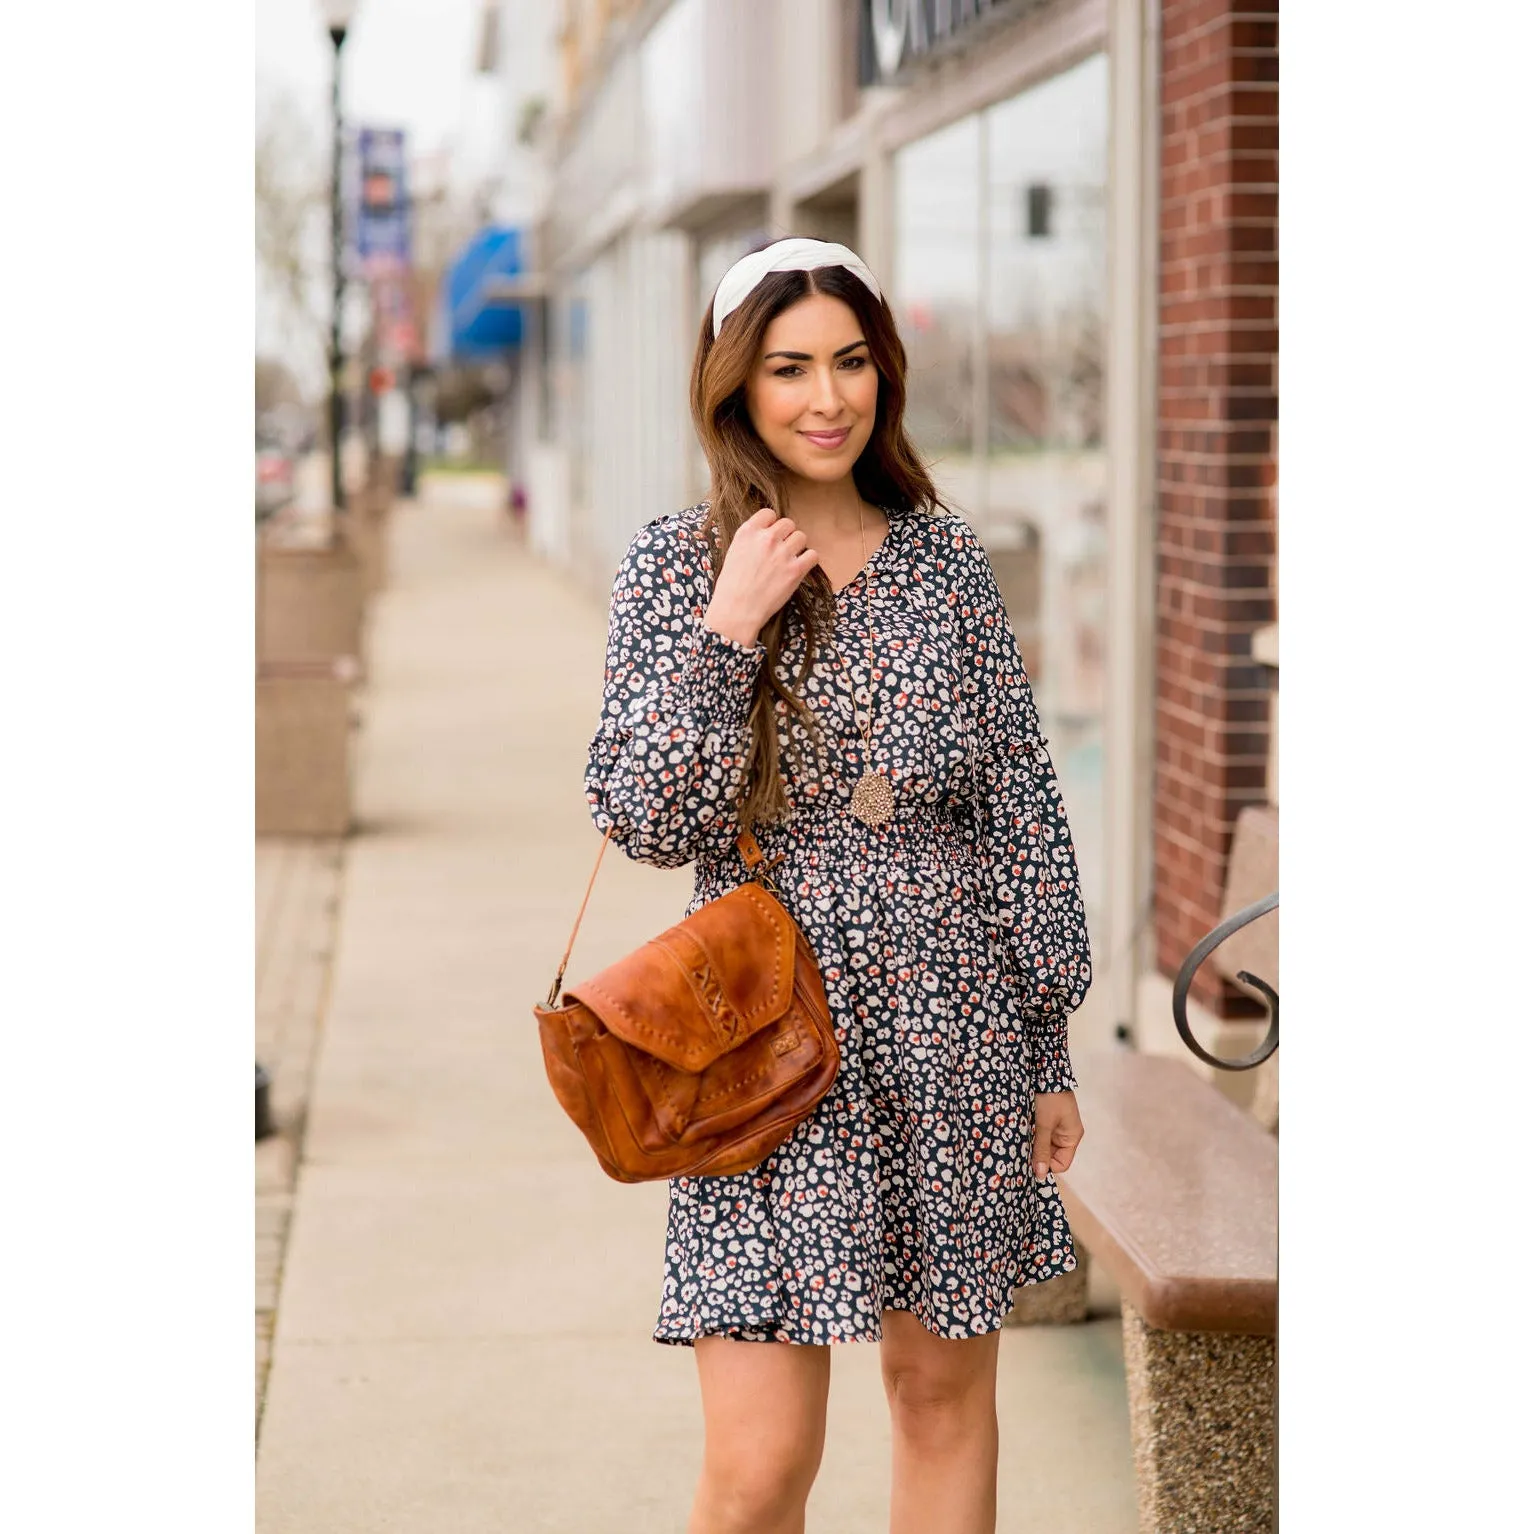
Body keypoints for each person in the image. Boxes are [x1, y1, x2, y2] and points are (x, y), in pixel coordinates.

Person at [584, 236, 1092, 1534]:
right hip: (760, 1036)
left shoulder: (944, 562)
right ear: (735, 388)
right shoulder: (672, 565)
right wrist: (727, 626)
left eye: (850, 361)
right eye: (789, 367)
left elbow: (1018, 810)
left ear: (885, 372)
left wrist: (1046, 1045)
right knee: (759, 1466)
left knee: (937, 1399)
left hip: (952, 1031)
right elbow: (643, 814)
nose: (826, 397)